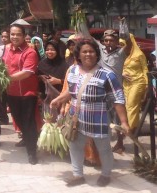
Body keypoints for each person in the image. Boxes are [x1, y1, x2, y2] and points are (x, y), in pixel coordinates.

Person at [50, 39, 130, 187]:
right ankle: (77, 175)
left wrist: (124, 122)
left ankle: (106, 174)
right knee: (75, 147)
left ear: (97, 54)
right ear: (78, 55)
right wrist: (59, 99)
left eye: (91, 51)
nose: (88, 54)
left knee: (103, 148)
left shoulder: (107, 75)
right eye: (84, 51)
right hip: (76, 118)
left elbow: (118, 98)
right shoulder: (72, 71)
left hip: (98, 118)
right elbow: (72, 91)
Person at [3, 24, 39, 165]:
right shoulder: (7, 50)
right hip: (11, 92)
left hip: (27, 93)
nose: (15, 37)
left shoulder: (30, 52)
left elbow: (27, 72)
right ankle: (27, 139)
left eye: (18, 34)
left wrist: (8, 78)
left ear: (24, 36)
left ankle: (32, 152)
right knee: (18, 120)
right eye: (12, 34)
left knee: (28, 122)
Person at [98, 29, 132, 153]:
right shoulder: (100, 50)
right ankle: (103, 144)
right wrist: (78, 14)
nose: (108, 42)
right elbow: (86, 35)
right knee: (103, 118)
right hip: (101, 90)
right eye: (106, 40)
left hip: (116, 90)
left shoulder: (121, 52)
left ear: (117, 41)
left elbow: (129, 44)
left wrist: (122, 26)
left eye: (111, 40)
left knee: (118, 119)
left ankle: (120, 142)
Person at [122, 35, 148, 135]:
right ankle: (135, 127)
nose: (124, 46)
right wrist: (122, 73)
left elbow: (145, 69)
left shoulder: (139, 54)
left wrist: (146, 85)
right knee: (128, 105)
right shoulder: (123, 55)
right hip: (126, 84)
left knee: (132, 104)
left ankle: (131, 128)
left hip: (138, 82)